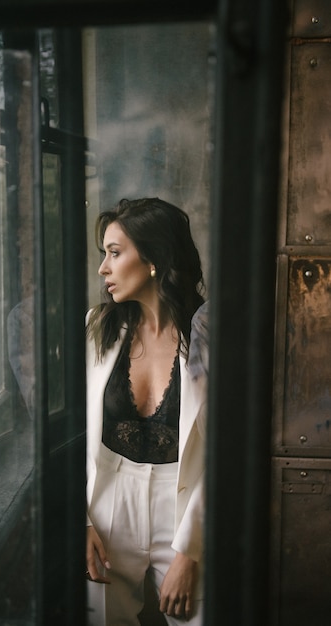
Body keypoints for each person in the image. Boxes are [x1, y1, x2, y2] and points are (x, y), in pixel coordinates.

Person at [85, 198, 209, 626]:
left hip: (183, 507)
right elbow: (66, 433)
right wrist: (81, 522)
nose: (104, 267)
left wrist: (191, 551)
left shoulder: (208, 336)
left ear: (153, 259)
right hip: (107, 506)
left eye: (115, 253)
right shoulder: (97, 328)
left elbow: (227, 447)